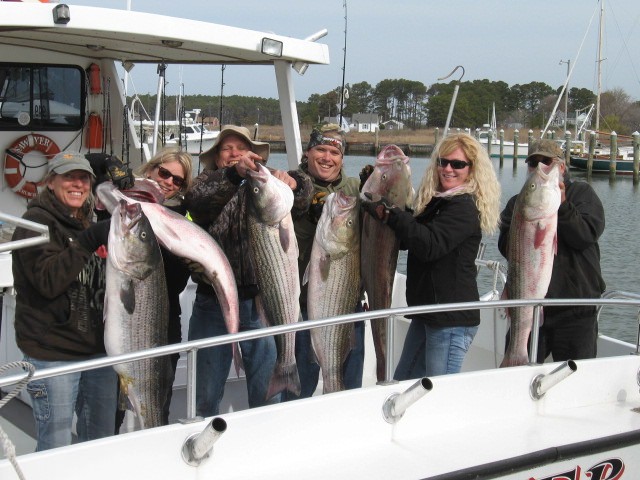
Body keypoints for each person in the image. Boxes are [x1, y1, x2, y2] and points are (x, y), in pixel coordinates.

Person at [184, 125, 313, 416]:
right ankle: (202, 438)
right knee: (205, 392)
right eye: (226, 149)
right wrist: (233, 175)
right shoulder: (208, 182)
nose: (233, 154)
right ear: (216, 157)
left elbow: (303, 199)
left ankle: (265, 439)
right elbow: (197, 202)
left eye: (240, 148)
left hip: (261, 301)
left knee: (265, 391)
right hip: (213, 302)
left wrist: (295, 183)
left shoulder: (265, 183)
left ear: (252, 153)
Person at [362, 133, 501, 379]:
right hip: (428, 313)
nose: (448, 169)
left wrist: (391, 214)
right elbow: (409, 240)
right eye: (442, 161)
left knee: (436, 393)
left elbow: (429, 245)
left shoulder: (464, 207)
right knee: (402, 382)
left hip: (451, 319)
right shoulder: (436, 203)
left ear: (472, 169)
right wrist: (386, 202)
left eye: (458, 164)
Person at [12, 152, 117, 451]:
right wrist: (88, 240)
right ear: (50, 182)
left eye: (83, 178)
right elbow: (48, 282)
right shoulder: (34, 223)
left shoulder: (82, 219)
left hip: (98, 352)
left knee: (100, 440)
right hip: (53, 353)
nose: (77, 184)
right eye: (68, 177)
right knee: (55, 445)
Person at [498, 138, 606, 362]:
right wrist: (524, 228)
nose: (539, 168)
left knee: (574, 380)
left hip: (576, 309)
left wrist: (563, 206)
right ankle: (515, 358)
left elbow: (585, 235)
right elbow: (505, 247)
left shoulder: (583, 194)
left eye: (546, 161)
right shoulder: (518, 203)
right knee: (517, 376)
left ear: (562, 167)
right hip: (530, 306)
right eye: (533, 163)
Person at [286, 124, 366, 399]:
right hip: (306, 307)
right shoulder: (291, 185)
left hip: (349, 305)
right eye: (321, 149)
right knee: (300, 390)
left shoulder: (355, 188)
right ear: (308, 153)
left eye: (334, 152)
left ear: (342, 158)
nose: (327, 157)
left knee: (349, 390)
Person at [127, 147, 193, 425]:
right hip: (125, 319)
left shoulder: (184, 216)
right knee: (115, 406)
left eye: (177, 180)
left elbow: (181, 277)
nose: (168, 182)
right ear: (151, 169)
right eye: (164, 173)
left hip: (165, 320)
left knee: (158, 402)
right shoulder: (124, 204)